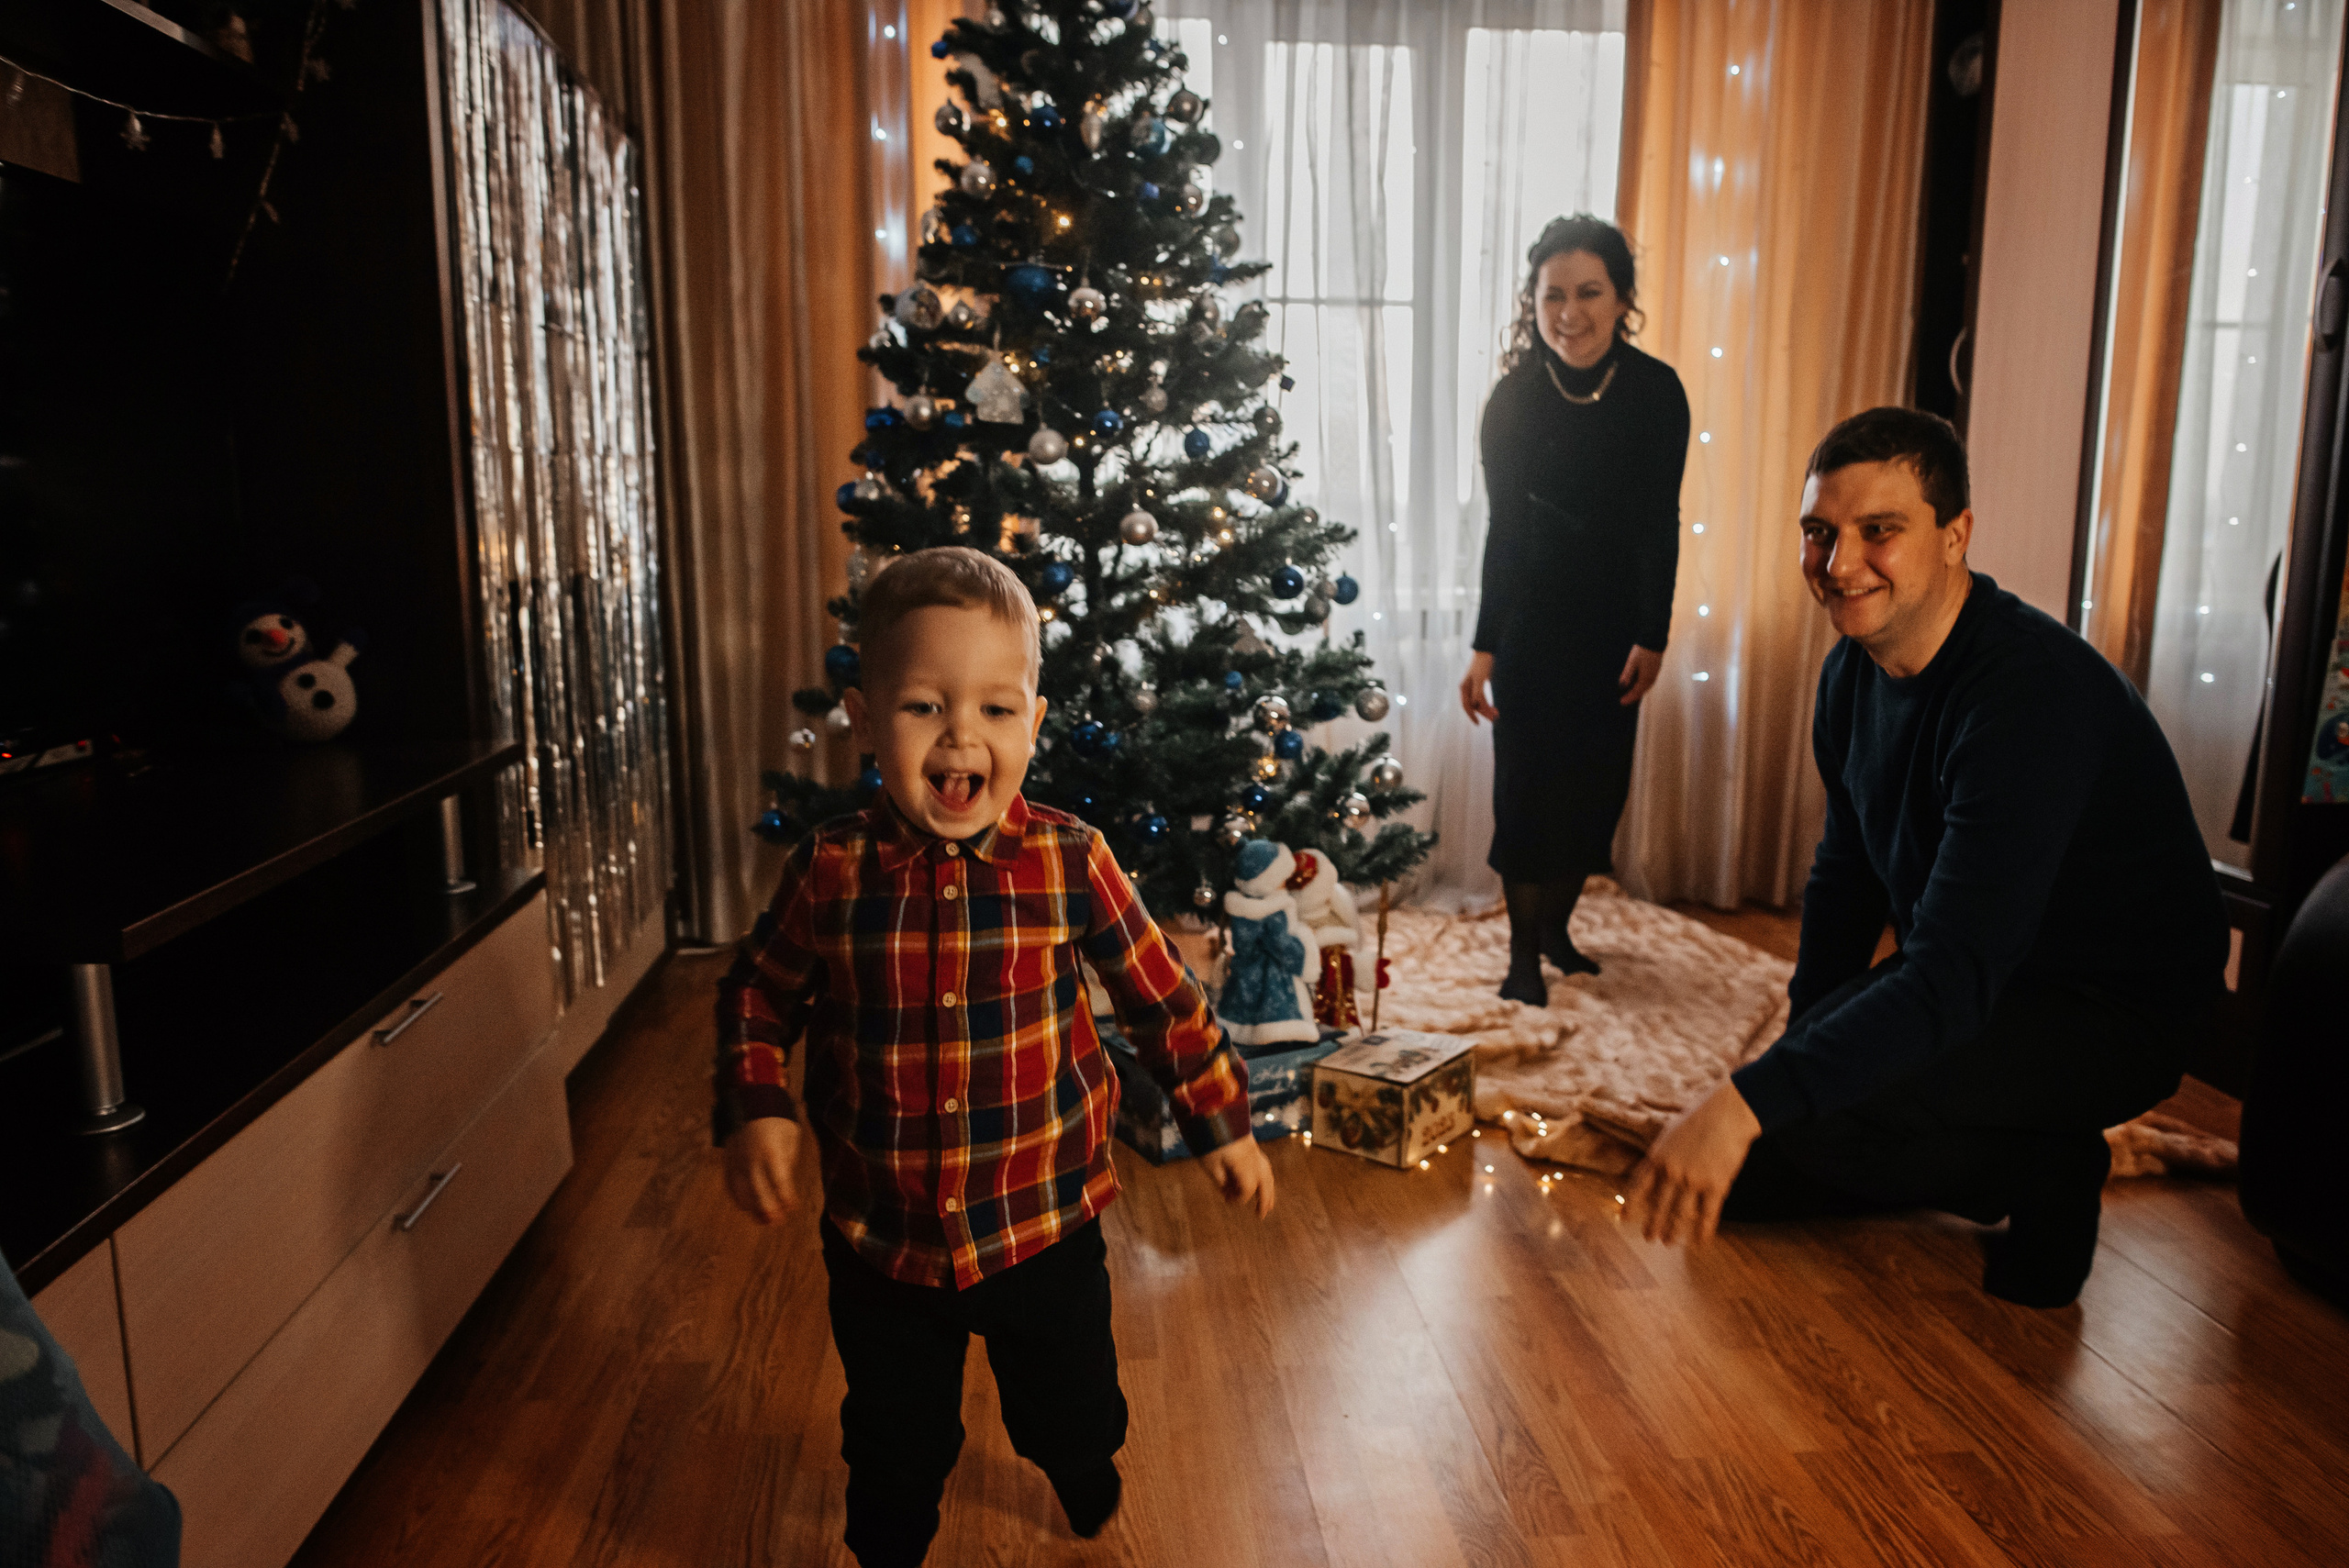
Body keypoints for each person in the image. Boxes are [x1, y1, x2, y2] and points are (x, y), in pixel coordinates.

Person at [714, 547, 1276, 1568]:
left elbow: (1161, 996)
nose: (961, 737)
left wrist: (1220, 1119)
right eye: (924, 706)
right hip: (881, 1232)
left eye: (995, 709)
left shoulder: (1072, 859)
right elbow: (757, 989)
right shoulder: (832, 868)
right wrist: (756, 1101)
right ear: (864, 713)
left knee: (1070, 1405)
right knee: (892, 1436)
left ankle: (1081, 1461)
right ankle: (888, 1539)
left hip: (1042, 1221)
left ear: (1034, 717)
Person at [1622, 407, 2228, 1308]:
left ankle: (2050, 1165)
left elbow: (1951, 975)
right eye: (1818, 533)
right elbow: (1847, 871)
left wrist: (1745, 1102)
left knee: (1772, 1117)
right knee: (1754, 1172)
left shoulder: (2026, 696)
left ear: (1955, 536)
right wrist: (1802, 1042)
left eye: (1879, 531)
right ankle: (2004, 1146)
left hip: (2107, 1011)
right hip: (1982, 973)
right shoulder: (1850, 671)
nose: (1838, 563)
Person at [1460, 214, 1690, 1004]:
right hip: (1530, 631)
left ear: (1623, 297)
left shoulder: (1657, 393)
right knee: (1526, 796)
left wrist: (1653, 633)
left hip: (1613, 633)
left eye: (1589, 291)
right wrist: (1485, 647)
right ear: (1532, 301)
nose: (1571, 310)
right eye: (1553, 293)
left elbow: (1661, 523)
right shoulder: (1512, 402)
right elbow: (1504, 533)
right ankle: (1522, 959)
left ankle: (1558, 931)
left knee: (1594, 793)